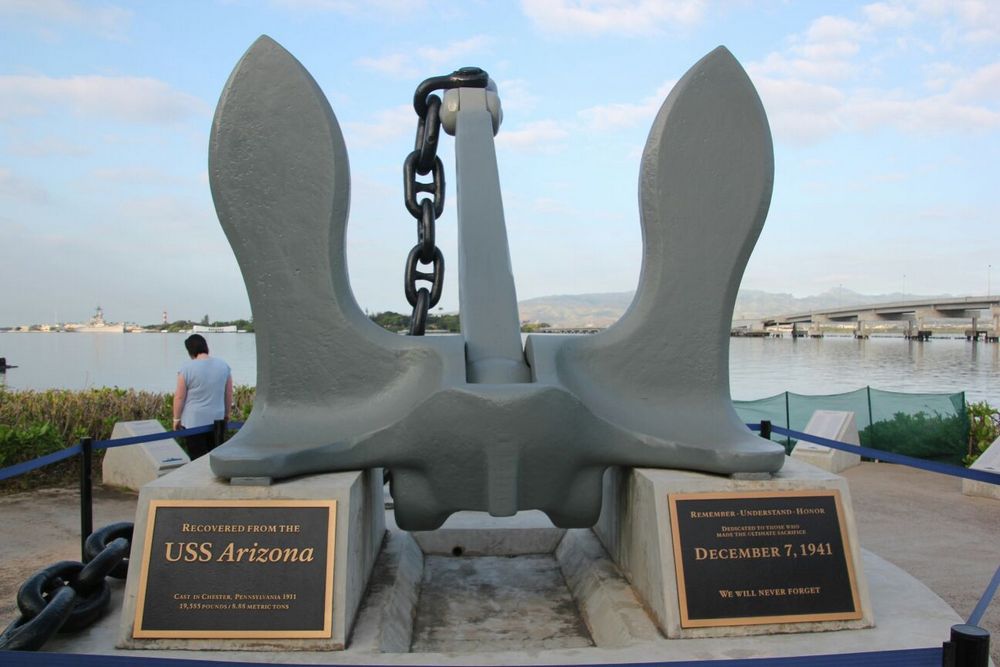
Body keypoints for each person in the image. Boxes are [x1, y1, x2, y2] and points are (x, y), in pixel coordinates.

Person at [173, 334, 232, 459]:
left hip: (193, 421)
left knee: (197, 458)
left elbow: (179, 397)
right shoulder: (224, 366)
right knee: (216, 456)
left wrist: (176, 419)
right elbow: (228, 393)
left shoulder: (186, 368)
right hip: (218, 419)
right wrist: (227, 413)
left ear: (190, 351)